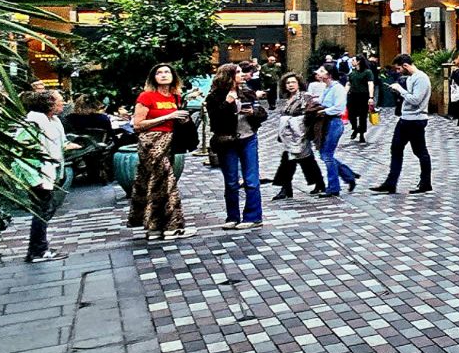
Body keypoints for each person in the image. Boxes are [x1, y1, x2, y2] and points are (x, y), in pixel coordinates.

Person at [128, 63, 191, 240]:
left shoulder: (175, 97)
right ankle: (173, 226)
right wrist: (167, 116)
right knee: (165, 181)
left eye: (167, 72)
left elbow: (175, 121)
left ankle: (155, 227)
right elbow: (137, 125)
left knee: (156, 183)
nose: (163, 75)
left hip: (170, 141)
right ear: (153, 77)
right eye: (159, 73)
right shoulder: (146, 96)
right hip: (150, 142)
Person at [206, 62, 268, 229]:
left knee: (251, 179)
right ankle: (232, 217)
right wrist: (227, 103)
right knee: (232, 181)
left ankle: (253, 217)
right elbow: (215, 121)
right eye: (238, 72)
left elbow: (263, 114)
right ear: (228, 76)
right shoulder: (214, 96)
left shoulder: (247, 92)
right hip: (228, 141)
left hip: (248, 138)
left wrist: (253, 112)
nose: (242, 75)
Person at [16, 89, 67, 262]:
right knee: (41, 212)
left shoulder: (53, 121)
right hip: (39, 175)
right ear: (49, 104)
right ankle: (37, 251)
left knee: (45, 210)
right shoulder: (33, 124)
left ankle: (39, 248)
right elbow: (20, 152)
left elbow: (57, 144)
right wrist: (35, 179)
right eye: (60, 100)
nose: (64, 103)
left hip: (48, 173)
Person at [372, 55, 433, 195]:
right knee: (396, 148)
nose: (398, 72)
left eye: (399, 68)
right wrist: (399, 92)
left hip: (416, 119)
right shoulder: (411, 78)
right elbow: (409, 97)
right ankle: (390, 183)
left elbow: (416, 100)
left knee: (420, 151)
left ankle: (425, 182)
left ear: (405, 65)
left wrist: (400, 90)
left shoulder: (421, 78)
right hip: (406, 119)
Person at [271, 74, 324, 199]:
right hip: (289, 135)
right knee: (297, 160)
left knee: (299, 160)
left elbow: (311, 113)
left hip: (300, 133)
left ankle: (287, 189)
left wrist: (299, 123)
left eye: (293, 82)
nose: (290, 85)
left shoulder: (304, 97)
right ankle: (288, 188)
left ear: (299, 83)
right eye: (288, 83)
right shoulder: (287, 98)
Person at [311, 64, 358, 198]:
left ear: (329, 74)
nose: (318, 73)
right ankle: (348, 176)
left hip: (333, 123)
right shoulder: (326, 87)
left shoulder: (337, 88)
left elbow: (339, 107)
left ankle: (333, 187)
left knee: (327, 155)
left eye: (322, 71)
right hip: (325, 123)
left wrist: (323, 111)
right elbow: (321, 101)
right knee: (325, 154)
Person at [346, 56, 372, 143]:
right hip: (353, 95)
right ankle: (355, 128)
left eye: (353, 60)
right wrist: (344, 93)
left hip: (363, 96)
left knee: (362, 116)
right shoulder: (352, 73)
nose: (352, 61)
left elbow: (370, 84)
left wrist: (371, 97)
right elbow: (349, 84)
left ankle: (361, 134)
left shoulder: (367, 72)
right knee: (351, 115)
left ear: (358, 62)